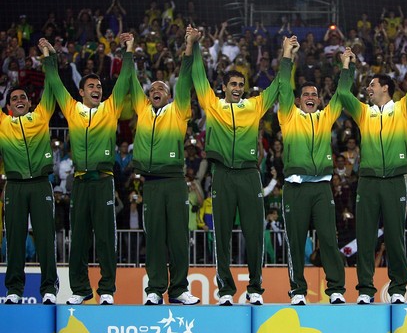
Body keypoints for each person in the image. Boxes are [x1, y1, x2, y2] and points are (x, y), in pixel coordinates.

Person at [41, 33, 134, 305]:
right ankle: (80, 290)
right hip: (80, 182)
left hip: (104, 181)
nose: (97, 89)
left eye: (99, 86)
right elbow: (57, 85)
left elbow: (126, 79)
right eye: (91, 86)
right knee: (78, 239)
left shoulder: (111, 108)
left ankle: (106, 290)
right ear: (81, 92)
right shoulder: (72, 110)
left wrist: (128, 51)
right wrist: (49, 57)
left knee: (106, 239)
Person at [191, 27, 281, 307]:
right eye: (233, 85)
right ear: (225, 87)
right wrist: (194, 46)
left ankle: (255, 288)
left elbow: (277, 86)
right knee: (222, 235)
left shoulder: (254, 106)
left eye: (241, 85)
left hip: (249, 175)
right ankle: (226, 291)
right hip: (222, 175)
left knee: (255, 233)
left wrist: (287, 57)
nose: (238, 89)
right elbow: (197, 78)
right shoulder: (213, 106)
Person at [337, 33, 407, 305]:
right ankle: (365, 289)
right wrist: (347, 66)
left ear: (385, 87)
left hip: (395, 181)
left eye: (372, 85)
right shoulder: (364, 112)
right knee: (365, 237)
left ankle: (398, 289)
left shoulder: (402, 110)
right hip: (368, 181)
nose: (368, 89)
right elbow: (342, 93)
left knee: (395, 238)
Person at [129, 28, 200, 305]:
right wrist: (129, 51)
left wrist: (188, 48)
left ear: (170, 96)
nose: (155, 90)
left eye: (162, 88)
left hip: (174, 181)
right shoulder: (143, 110)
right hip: (152, 184)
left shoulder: (178, 109)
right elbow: (131, 82)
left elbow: (184, 79)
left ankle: (179, 290)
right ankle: (155, 291)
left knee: (179, 239)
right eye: (153, 89)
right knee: (155, 239)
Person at [278, 36, 346, 305]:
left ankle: (337, 289)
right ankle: (297, 291)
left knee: (329, 240)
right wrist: (287, 55)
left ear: (319, 100)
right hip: (294, 188)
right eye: (305, 94)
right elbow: (283, 86)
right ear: (298, 100)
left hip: (321, 187)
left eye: (314, 95)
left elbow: (342, 94)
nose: (310, 97)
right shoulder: (288, 115)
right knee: (295, 242)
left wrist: (346, 66)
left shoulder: (326, 116)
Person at [1, 44, 58, 304]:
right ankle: (13, 289)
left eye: (23, 97)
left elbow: (52, 88)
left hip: (40, 185)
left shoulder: (41, 116)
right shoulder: (3, 125)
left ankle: (49, 288)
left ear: (30, 102)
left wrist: (48, 59)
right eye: (15, 99)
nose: (20, 100)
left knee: (46, 238)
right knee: (14, 239)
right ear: (9, 107)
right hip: (14, 186)